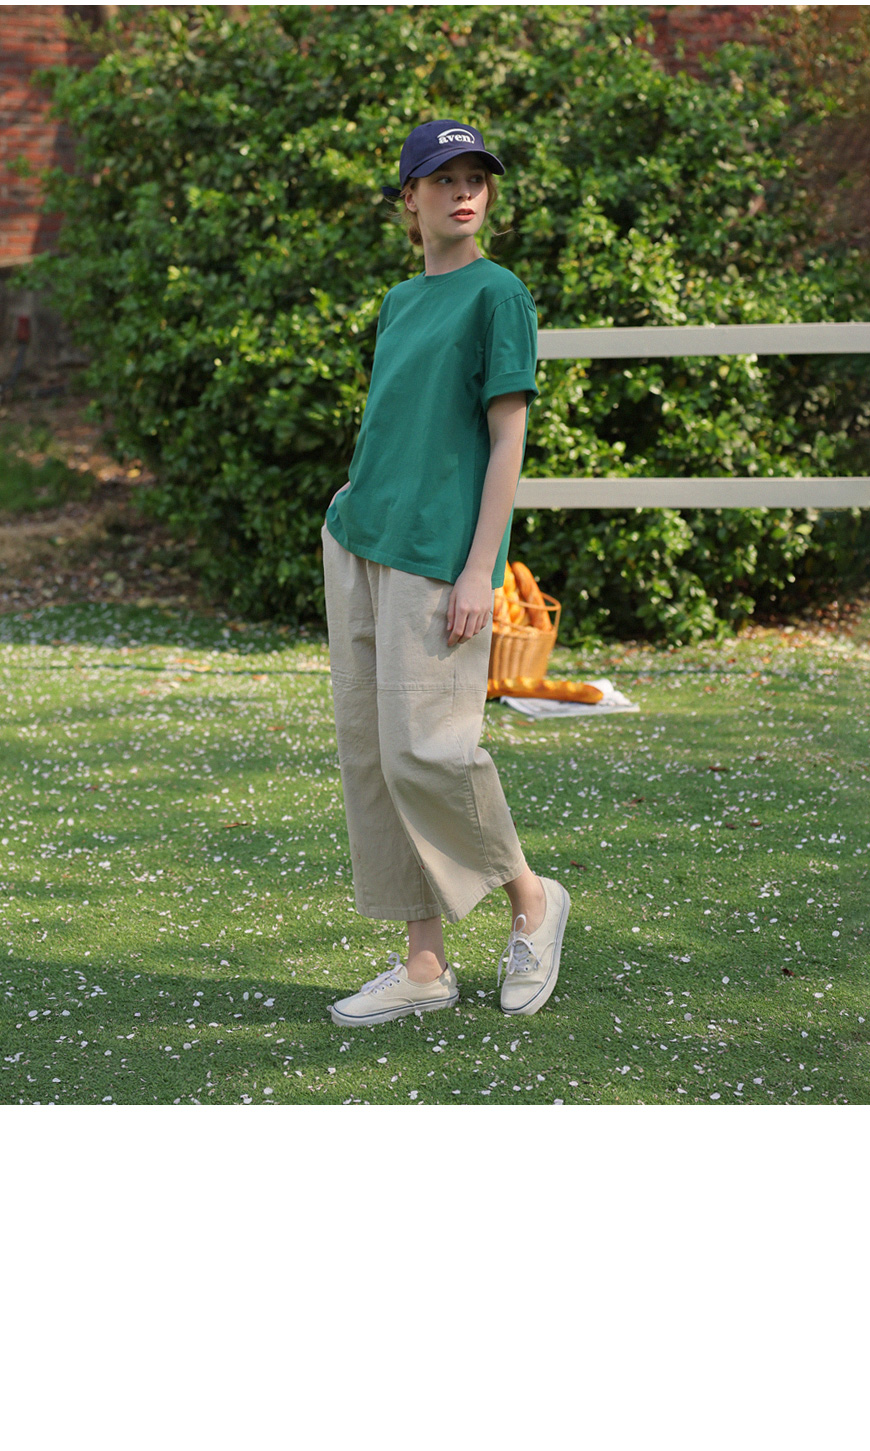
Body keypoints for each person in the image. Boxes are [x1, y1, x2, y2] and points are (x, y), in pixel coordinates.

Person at [321, 119, 570, 1027]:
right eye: (443, 178)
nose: (464, 191)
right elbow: (397, 418)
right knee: (375, 756)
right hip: (361, 539)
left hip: (437, 558)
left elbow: (508, 441)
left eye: (476, 178)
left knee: (429, 750)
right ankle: (423, 964)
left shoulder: (499, 295)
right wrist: (353, 498)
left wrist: (479, 570)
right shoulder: (399, 301)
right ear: (411, 199)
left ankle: (532, 898)